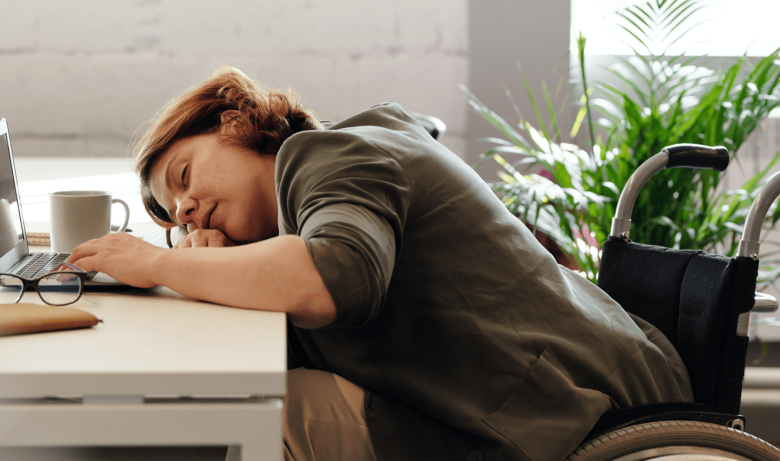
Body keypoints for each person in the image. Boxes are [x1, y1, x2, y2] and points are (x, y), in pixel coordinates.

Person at [66, 67, 694, 461]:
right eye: (173, 213)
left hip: (568, 413)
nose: (186, 211)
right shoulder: (320, 182)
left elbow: (335, 279)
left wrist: (158, 264)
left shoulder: (329, 157)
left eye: (183, 177)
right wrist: (212, 271)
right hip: (544, 393)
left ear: (234, 124)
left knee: (241, 410)